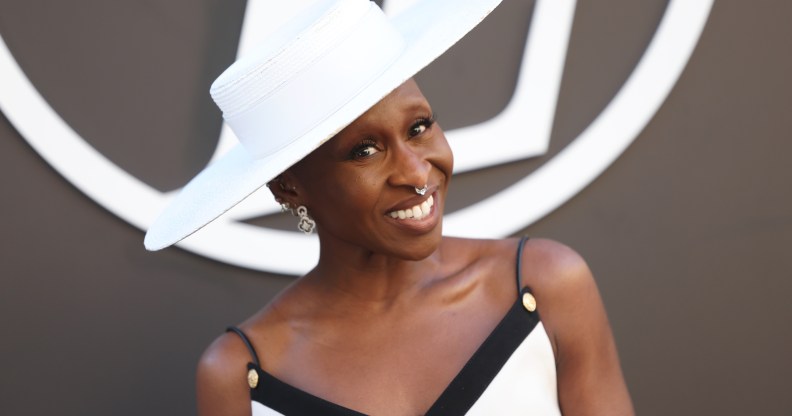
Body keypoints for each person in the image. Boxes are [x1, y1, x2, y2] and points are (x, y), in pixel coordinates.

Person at [145, 0, 634, 414]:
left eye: (419, 127)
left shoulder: (544, 284)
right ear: (289, 188)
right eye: (365, 150)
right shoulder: (239, 374)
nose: (418, 173)